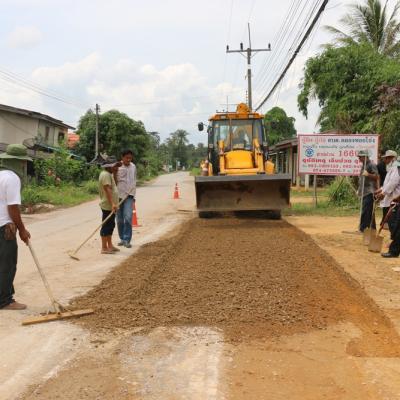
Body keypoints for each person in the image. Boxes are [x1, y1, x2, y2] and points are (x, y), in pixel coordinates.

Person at [0, 144, 31, 310]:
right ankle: (5, 301)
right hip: (5, 226)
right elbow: (13, 207)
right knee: (8, 264)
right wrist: (22, 230)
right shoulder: (12, 178)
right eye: (23, 162)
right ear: (19, 162)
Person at [99, 157, 121, 254]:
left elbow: (114, 185)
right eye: (115, 166)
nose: (117, 168)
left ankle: (110, 246)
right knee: (106, 226)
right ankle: (104, 248)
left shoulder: (109, 174)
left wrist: (115, 173)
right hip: (108, 205)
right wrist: (112, 204)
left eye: (117, 166)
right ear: (109, 166)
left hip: (112, 205)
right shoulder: (105, 175)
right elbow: (107, 189)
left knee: (111, 225)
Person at [116, 149, 137, 248]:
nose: (128, 160)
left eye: (130, 158)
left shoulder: (133, 166)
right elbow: (114, 181)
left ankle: (127, 239)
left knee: (128, 217)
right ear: (122, 157)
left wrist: (134, 196)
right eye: (127, 158)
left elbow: (134, 181)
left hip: (129, 196)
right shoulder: (117, 167)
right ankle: (122, 238)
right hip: (119, 196)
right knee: (119, 220)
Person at [375, 150, 399, 233]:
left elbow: (393, 183)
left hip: (395, 198)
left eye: (387, 158)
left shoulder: (396, 168)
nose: (385, 160)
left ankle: (395, 238)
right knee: (391, 221)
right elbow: (388, 183)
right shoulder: (391, 168)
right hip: (391, 198)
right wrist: (381, 189)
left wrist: (383, 193)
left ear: (392, 158)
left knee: (394, 222)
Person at [357, 150, 379, 232]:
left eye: (360, 157)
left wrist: (368, 174)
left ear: (365, 157)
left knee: (365, 211)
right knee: (369, 211)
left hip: (369, 191)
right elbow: (362, 179)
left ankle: (362, 229)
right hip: (363, 191)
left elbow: (376, 176)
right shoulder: (364, 165)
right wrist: (359, 189)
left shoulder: (371, 165)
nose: (359, 158)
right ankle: (372, 229)